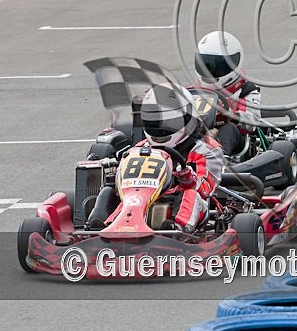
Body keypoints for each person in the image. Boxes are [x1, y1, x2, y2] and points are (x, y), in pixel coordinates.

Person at [89, 82, 224, 233]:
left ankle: (177, 228)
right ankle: (107, 225)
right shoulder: (141, 147)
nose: (162, 127)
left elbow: (206, 189)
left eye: (169, 122)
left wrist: (187, 178)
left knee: (191, 194)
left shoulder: (207, 149)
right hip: (143, 199)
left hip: (185, 203)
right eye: (155, 122)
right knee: (113, 192)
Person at [194, 31, 262, 156]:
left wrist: (230, 116)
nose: (211, 70)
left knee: (228, 129)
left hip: (232, 138)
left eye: (218, 66)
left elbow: (252, 123)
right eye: (206, 64)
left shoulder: (246, 90)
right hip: (197, 133)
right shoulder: (195, 89)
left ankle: (220, 162)